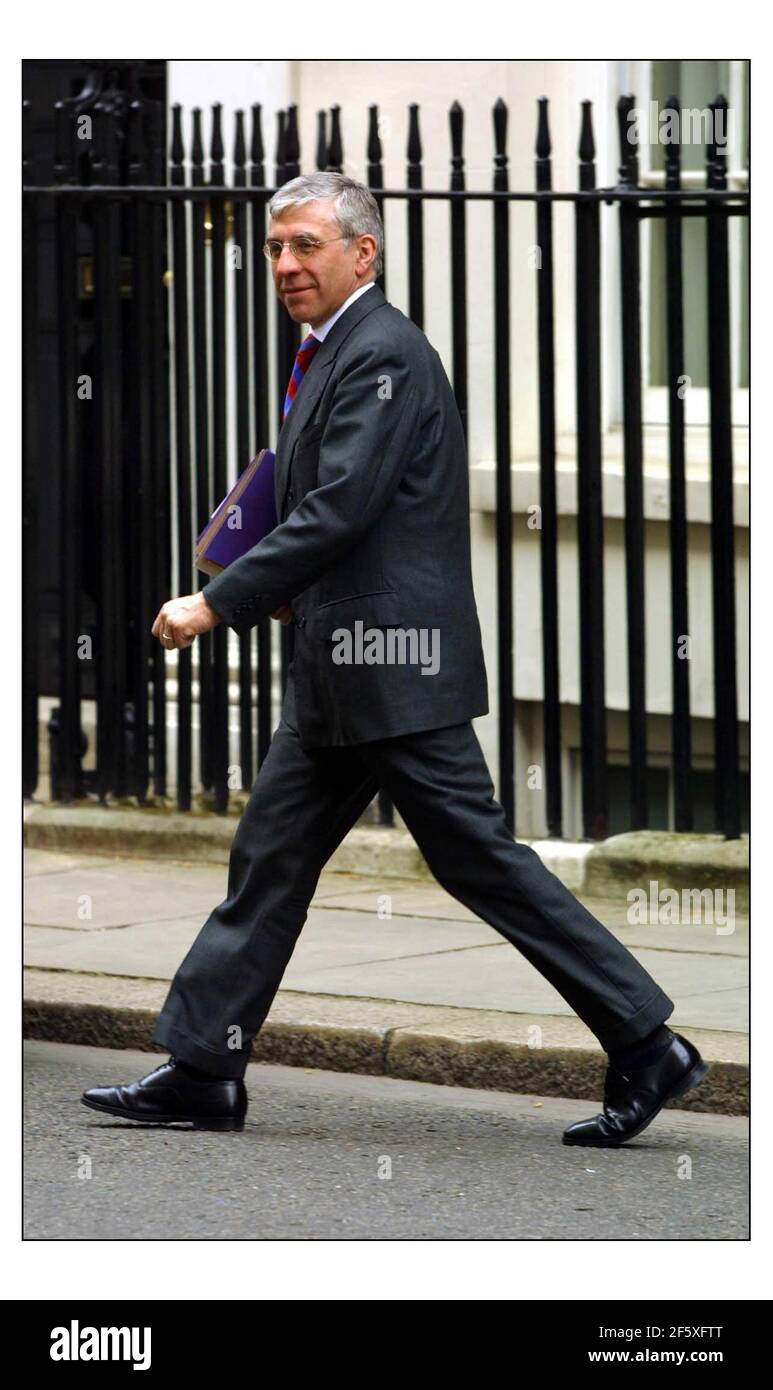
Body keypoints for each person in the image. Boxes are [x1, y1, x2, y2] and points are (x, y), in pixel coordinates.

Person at [81, 172, 708, 1146]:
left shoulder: (384, 356)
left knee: (481, 865)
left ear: (361, 254)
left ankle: (644, 1040)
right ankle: (205, 1065)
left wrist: (217, 600)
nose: (284, 265)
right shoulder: (331, 353)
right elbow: (330, 512)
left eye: (306, 247)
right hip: (339, 669)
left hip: (393, 672)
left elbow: (337, 509)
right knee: (269, 861)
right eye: (277, 248)